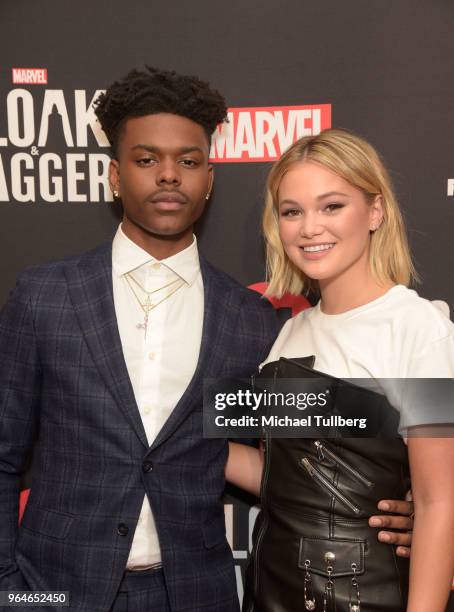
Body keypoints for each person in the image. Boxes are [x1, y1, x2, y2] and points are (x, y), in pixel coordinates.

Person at [0, 69, 413, 612]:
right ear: (115, 176)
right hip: (54, 589)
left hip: (198, 594)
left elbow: (305, 467)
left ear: (210, 177)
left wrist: (405, 511)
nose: (169, 176)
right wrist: (10, 588)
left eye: (188, 162)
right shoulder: (43, 295)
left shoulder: (254, 321)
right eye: (146, 160)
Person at [226, 129, 454, 611]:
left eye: (331, 206)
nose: (309, 228)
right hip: (272, 588)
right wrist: (172, 435)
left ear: (375, 211)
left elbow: (439, 503)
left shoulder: (420, 328)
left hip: (364, 594)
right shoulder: (290, 333)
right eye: (292, 211)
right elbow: (287, 476)